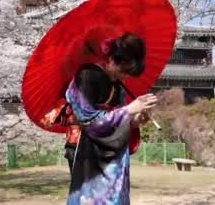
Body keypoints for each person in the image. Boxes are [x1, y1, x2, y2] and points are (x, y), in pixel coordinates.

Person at [65, 33, 158, 205]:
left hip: (113, 155)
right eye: (124, 71)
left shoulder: (118, 85)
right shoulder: (86, 76)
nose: (126, 77)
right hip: (87, 149)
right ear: (112, 60)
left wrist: (134, 120)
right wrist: (129, 110)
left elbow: (117, 118)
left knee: (115, 198)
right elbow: (89, 121)